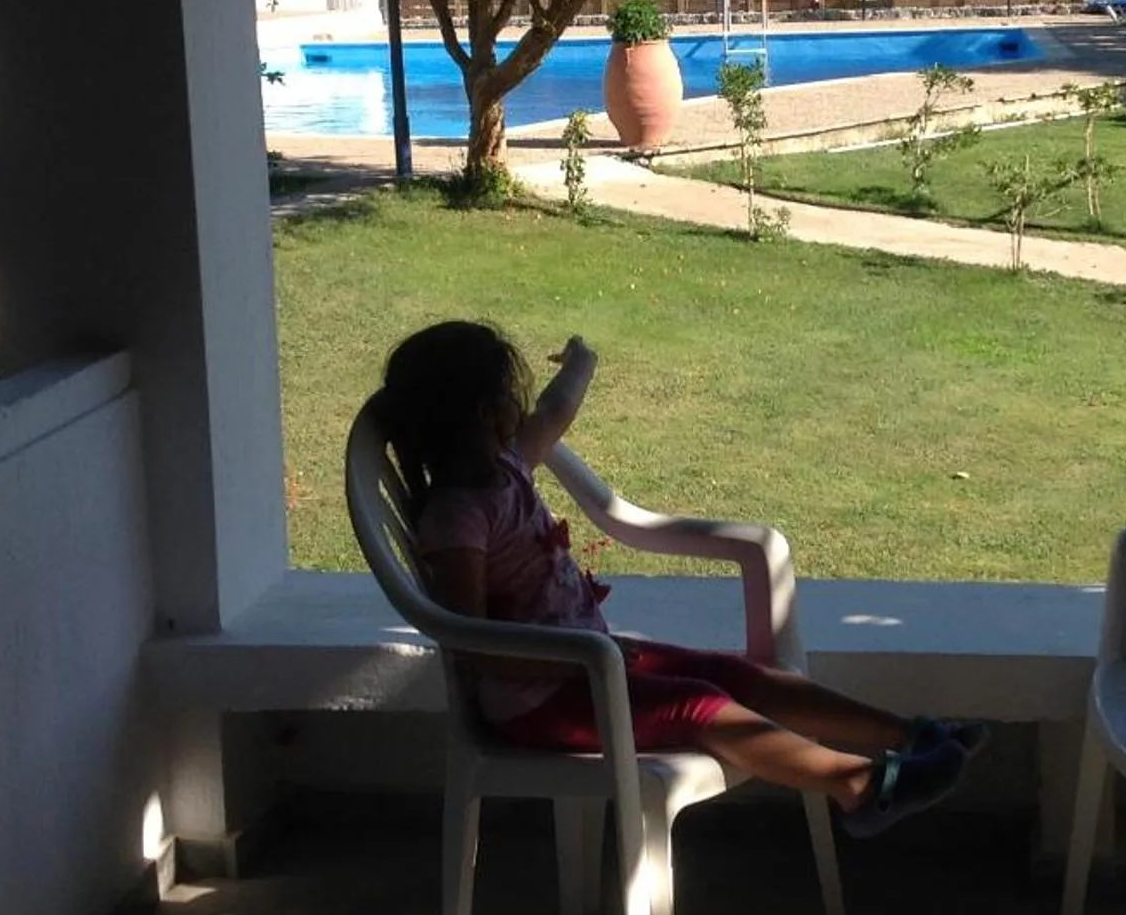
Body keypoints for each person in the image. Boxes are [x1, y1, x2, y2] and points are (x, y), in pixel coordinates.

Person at [379, 320, 985, 837]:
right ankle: (860, 786)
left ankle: (913, 735)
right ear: (485, 415)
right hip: (538, 702)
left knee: (730, 673)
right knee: (697, 705)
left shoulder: (507, 468)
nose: (520, 407)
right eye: (509, 395)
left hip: (593, 664)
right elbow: (473, 641)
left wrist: (582, 360)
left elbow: (556, 410)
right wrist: (577, 657)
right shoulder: (457, 520)